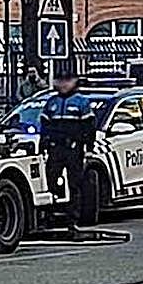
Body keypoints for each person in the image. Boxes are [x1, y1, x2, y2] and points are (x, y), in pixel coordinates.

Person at [39, 63, 96, 226]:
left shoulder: (81, 102)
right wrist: (43, 145)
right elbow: (45, 126)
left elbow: (89, 127)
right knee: (51, 181)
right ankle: (51, 215)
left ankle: (73, 218)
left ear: (75, 81)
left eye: (67, 80)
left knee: (74, 184)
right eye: (60, 80)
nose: (63, 84)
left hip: (73, 148)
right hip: (55, 149)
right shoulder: (51, 102)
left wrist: (88, 147)